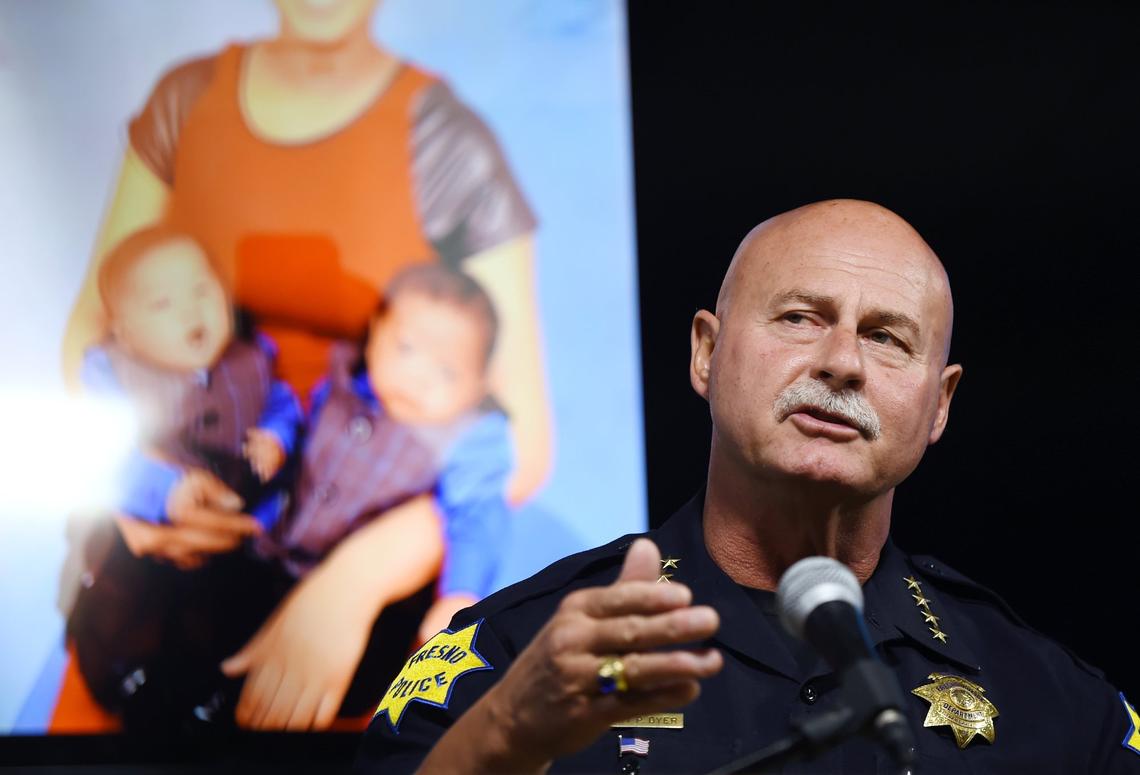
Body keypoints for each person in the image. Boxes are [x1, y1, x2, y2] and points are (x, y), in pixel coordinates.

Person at [355, 200, 1140, 773]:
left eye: (886, 337)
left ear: (939, 403)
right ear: (706, 352)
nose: (842, 362)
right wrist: (506, 735)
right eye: (800, 317)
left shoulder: (1056, 702)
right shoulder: (518, 653)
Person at [58, 0, 551, 730]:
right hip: (182, 536)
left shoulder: (448, 140)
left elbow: (520, 443)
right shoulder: (187, 100)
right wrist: (139, 495)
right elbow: (95, 341)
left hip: (366, 585)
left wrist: (356, 580)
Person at [255, 263, 513, 644]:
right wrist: (272, 449)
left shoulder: (464, 439)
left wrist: (460, 594)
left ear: (478, 387)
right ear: (375, 333)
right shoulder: (343, 380)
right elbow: (297, 444)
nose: (418, 378)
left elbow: (477, 517)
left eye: (447, 372)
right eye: (406, 348)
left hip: (369, 607)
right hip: (271, 553)